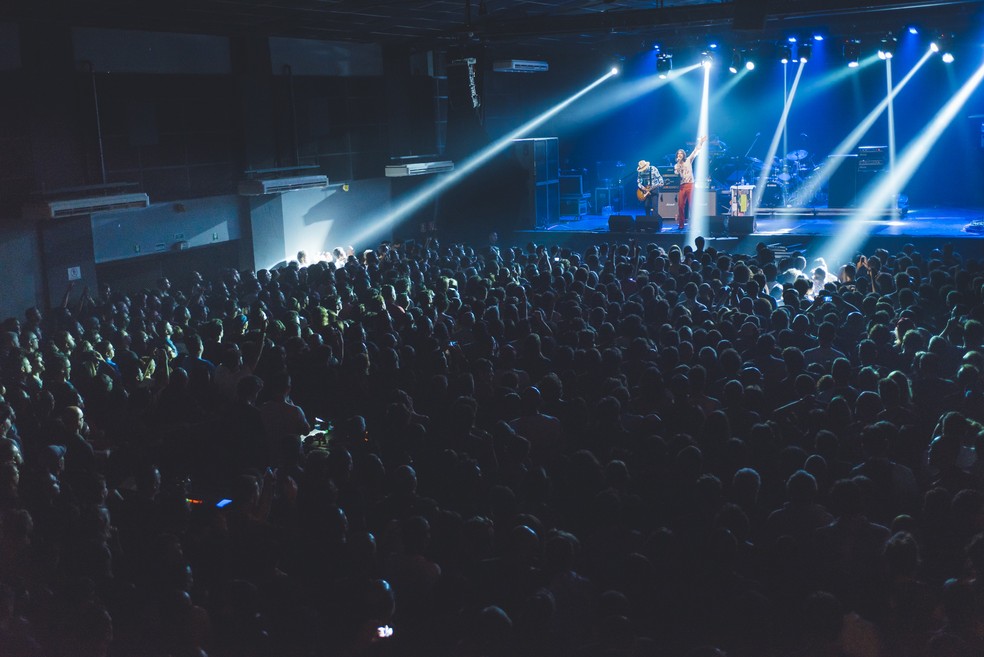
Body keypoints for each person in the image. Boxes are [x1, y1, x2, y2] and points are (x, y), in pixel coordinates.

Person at [674, 136, 706, 230]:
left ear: (683, 155)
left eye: (681, 154)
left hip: (690, 185)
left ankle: (694, 224)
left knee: (692, 205)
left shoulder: (688, 160)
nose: (679, 155)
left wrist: (701, 142)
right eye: (678, 154)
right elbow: (676, 173)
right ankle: (681, 224)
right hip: (682, 186)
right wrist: (679, 164)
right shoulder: (676, 165)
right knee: (680, 205)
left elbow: (695, 151)